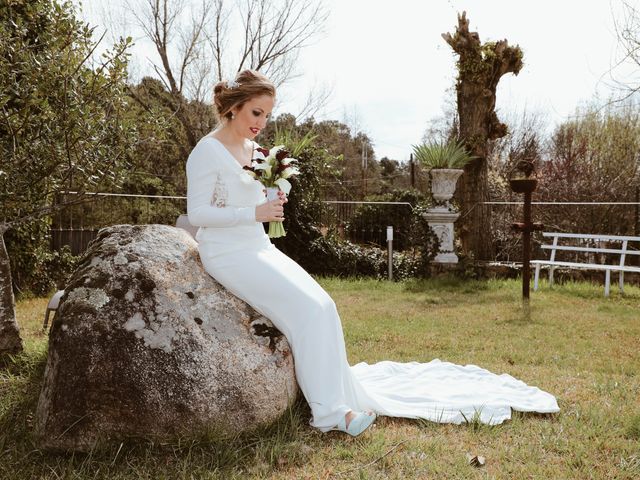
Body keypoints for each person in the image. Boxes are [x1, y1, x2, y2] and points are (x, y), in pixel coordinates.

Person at [186, 69, 560, 437]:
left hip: (258, 245)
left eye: (267, 115)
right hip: (227, 253)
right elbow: (198, 213)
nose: (262, 123)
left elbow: (252, 197)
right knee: (306, 312)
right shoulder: (208, 151)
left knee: (324, 305)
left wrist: (272, 197)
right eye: (256, 113)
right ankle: (331, 414)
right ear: (234, 107)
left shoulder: (254, 150)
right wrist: (254, 212)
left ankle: (337, 396)